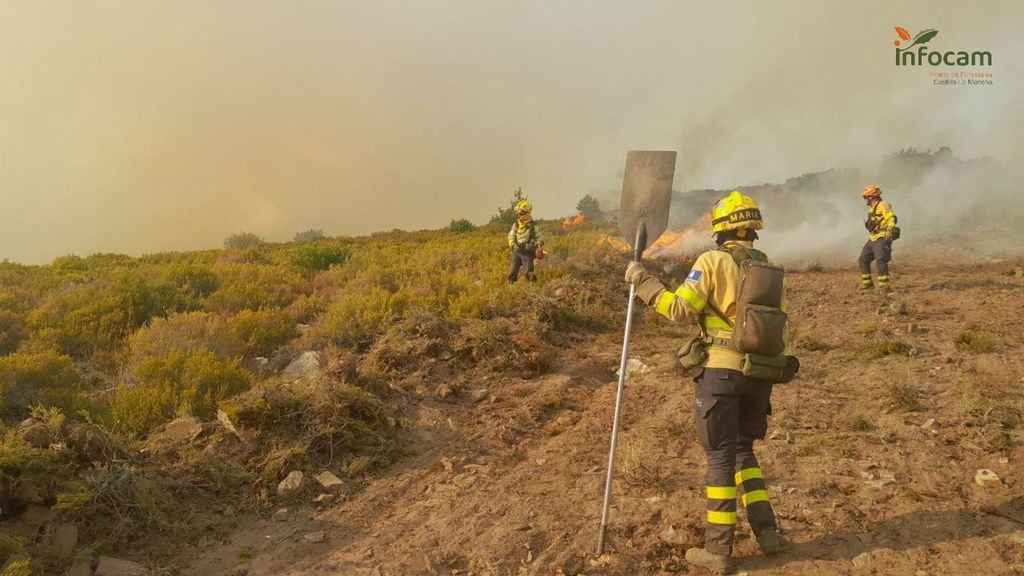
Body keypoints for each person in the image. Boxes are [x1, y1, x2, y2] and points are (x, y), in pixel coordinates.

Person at [624, 191, 787, 575]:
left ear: (722, 228)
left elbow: (679, 309)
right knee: (745, 453)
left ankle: (718, 551)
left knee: (719, 458)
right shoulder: (768, 269)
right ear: (752, 229)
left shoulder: (711, 261)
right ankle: (769, 535)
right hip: (759, 374)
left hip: (721, 374)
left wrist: (643, 282)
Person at [858, 184, 898, 293]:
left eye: (866, 197)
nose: (865, 200)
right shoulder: (872, 209)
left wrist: (889, 230)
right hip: (873, 237)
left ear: (872, 197)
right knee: (863, 259)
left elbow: (891, 217)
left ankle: (885, 287)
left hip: (882, 236)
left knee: (880, 259)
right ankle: (868, 286)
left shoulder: (883, 205)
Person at [507, 199, 544, 284]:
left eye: (521, 214)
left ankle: (532, 287)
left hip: (528, 253)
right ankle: (511, 286)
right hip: (517, 251)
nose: (519, 216)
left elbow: (540, 236)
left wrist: (539, 244)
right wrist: (512, 244)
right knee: (513, 272)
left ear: (527, 213)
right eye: (518, 214)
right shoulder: (516, 225)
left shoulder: (533, 226)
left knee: (528, 272)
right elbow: (511, 236)